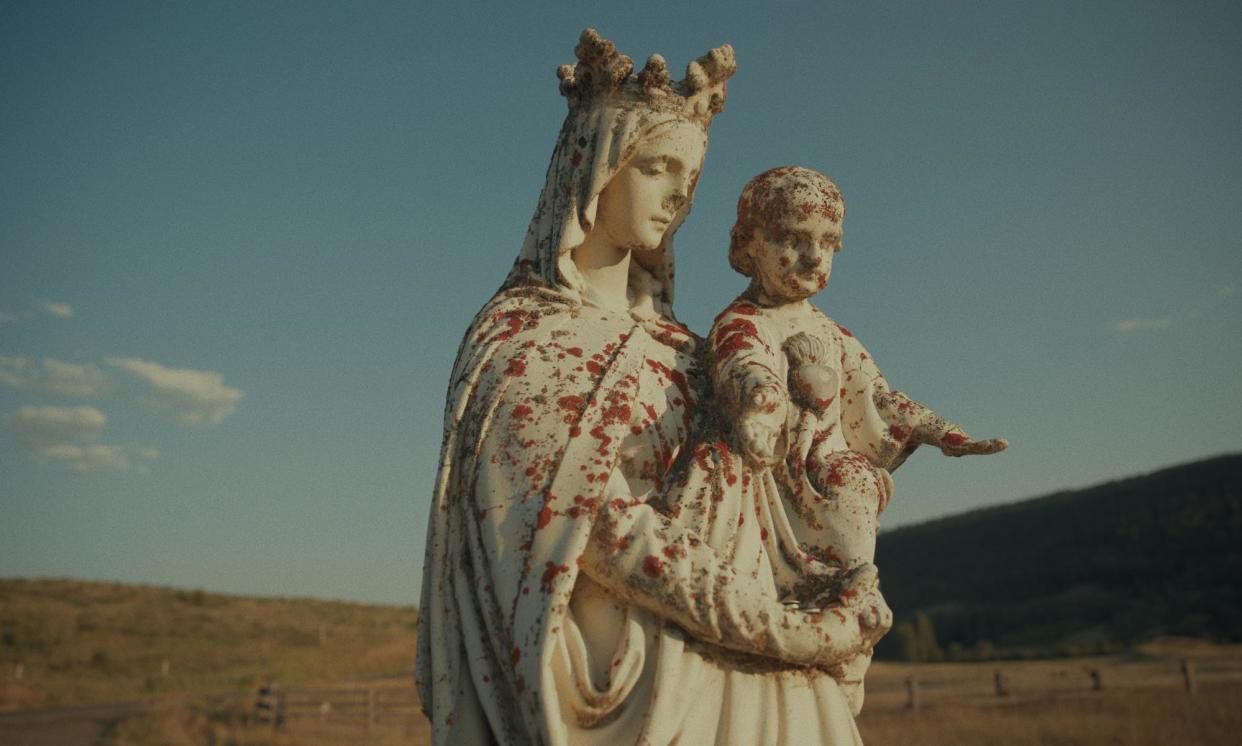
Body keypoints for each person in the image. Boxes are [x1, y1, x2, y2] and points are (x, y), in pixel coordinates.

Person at [417, 31, 889, 746]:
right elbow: (596, 528)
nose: (677, 197)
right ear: (595, 166)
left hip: (768, 671)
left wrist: (840, 566)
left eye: (690, 179)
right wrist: (786, 631)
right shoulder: (525, 342)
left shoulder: (690, 347)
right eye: (658, 167)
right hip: (659, 677)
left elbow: (783, 492)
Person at [692, 166, 1007, 712]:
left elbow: (880, 399)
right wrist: (762, 405)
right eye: (794, 240)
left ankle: (846, 647)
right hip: (770, 486)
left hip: (833, 476)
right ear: (749, 244)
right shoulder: (744, 321)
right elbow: (744, 368)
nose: (815, 258)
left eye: (828, 243)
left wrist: (944, 433)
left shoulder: (833, 333)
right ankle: (818, 628)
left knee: (853, 489)